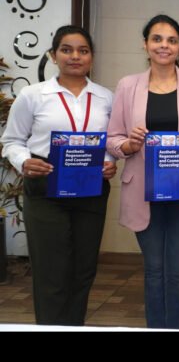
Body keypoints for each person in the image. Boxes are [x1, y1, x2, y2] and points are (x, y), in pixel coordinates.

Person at [0, 25, 116, 325]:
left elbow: (113, 141)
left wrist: (110, 160)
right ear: (54, 55)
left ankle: (73, 328)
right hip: (46, 187)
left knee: (83, 270)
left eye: (83, 50)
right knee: (51, 271)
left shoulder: (106, 97)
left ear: (91, 57)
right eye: (67, 49)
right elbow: (11, 140)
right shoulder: (33, 95)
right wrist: (24, 161)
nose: (75, 56)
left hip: (91, 189)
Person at [106, 15, 179, 329]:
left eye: (171, 40)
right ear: (145, 44)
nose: (164, 46)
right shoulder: (128, 85)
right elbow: (113, 138)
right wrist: (128, 145)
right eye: (157, 39)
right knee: (153, 270)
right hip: (143, 190)